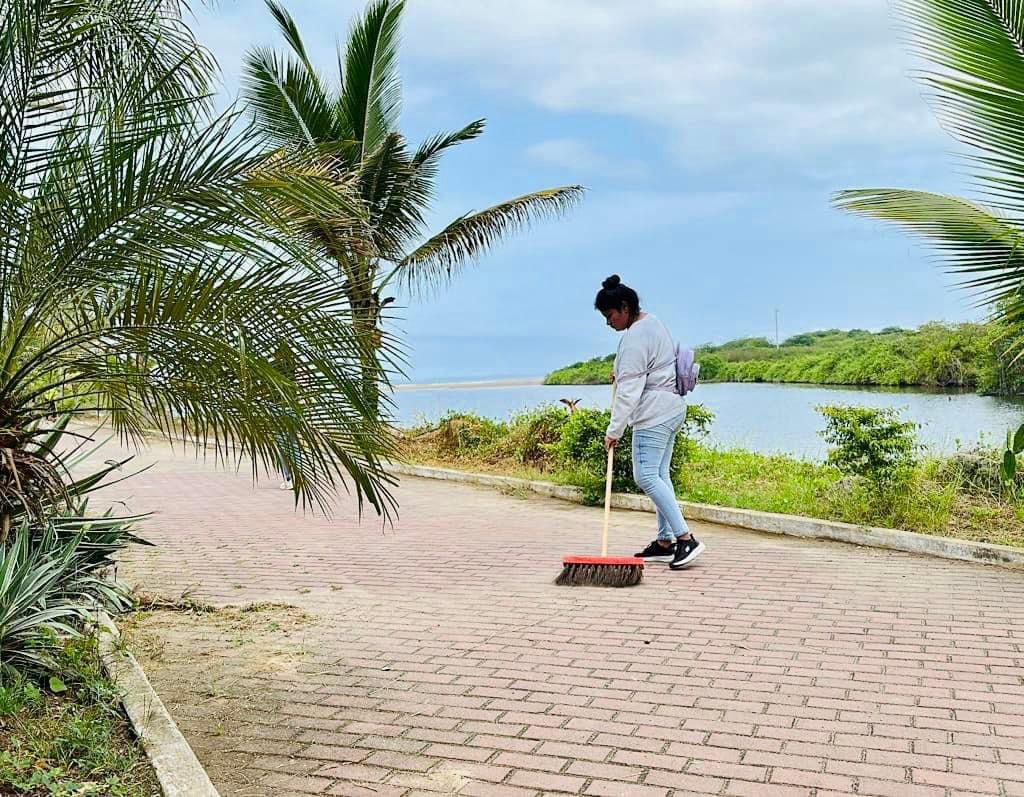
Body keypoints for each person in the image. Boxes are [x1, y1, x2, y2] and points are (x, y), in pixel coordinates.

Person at [595, 274, 705, 570]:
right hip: (672, 408)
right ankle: (665, 542)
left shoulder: (635, 337)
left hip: (654, 414)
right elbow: (646, 370)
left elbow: (629, 391)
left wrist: (614, 430)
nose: (608, 322)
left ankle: (685, 539)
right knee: (659, 475)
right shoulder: (652, 323)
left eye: (610, 315)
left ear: (625, 307)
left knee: (645, 475)